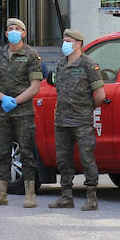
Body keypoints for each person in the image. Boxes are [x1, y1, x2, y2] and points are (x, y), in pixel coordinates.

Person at [0, 17, 42, 208]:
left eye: (17, 28)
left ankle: (30, 193)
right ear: (6, 34)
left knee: (26, 151)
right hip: (3, 110)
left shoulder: (31, 55)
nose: (13, 31)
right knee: (2, 151)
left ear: (23, 33)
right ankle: (1, 192)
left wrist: (16, 101)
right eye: (10, 29)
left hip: (23, 111)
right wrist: (2, 98)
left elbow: (35, 87)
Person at [47, 28, 105, 211]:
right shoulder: (61, 65)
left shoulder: (89, 64)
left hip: (81, 121)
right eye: (64, 40)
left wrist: (87, 108)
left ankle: (91, 197)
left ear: (78, 44)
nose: (65, 43)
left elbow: (100, 95)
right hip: (62, 121)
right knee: (63, 159)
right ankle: (66, 196)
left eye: (68, 40)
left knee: (87, 158)